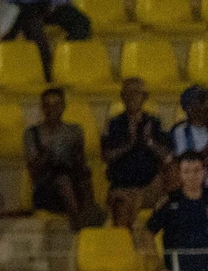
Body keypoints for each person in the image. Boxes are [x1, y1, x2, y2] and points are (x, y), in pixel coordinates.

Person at [24, 87, 98, 231]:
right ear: (42, 108)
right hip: (45, 189)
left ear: (63, 106)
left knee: (81, 177)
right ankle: (78, 221)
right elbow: (33, 169)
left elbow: (81, 162)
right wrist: (48, 151)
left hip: (74, 182)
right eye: (47, 105)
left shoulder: (74, 131)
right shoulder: (32, 134)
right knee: (62, 179)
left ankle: (89, 214)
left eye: (56, 105)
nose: (52, 109)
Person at [103, 78, 171, 229]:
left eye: (136, 93)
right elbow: (106, 156)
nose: (132, 97)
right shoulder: (113, 124)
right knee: (122, 206)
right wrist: (128, 144)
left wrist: (149, 141)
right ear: (122, 96)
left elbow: (166, 156)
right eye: (128, 93)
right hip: (122, 187)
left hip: (150, 187)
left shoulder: (155, 123)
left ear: (145, 97)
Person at [169, 85, 208, 213]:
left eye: (207, 101)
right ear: (189, 108)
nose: (207, 106)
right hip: (190, 177)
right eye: (202, 101)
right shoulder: (180, 131)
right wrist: (206, 151)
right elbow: (182, 161)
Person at [9, 0, 91, 83]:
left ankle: (66, 61)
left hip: (52, 7)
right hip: (23, 8)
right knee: (33, 27)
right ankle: (45, 72)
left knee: (81, 22)